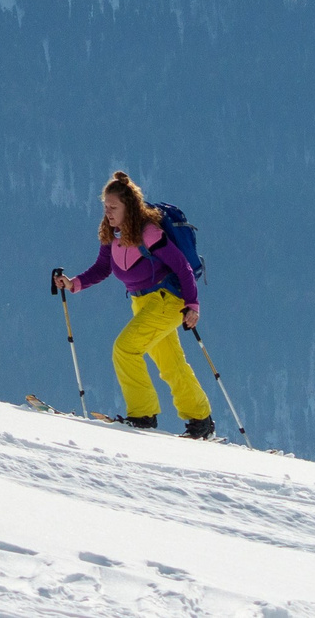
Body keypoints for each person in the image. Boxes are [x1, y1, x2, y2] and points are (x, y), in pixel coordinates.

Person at [52, 170, 214, 437]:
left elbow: (182, 267)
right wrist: (74, 283)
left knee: (125, 349)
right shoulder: (112, 234)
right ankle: (200, 419)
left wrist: (193, 304)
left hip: (167, 301)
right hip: (143, 303)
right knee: (171, 363)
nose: (109, 212)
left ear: (129, 206)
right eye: (105, 206)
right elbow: (103, 268)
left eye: (114, 207)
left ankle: (142, 415)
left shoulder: (148, 232)